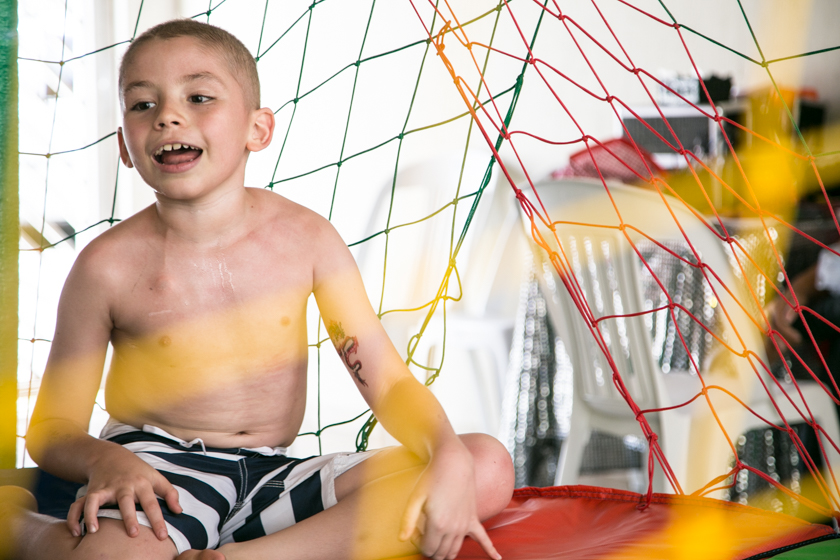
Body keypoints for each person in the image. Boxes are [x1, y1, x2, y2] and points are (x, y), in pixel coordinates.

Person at [0, 19, 514, 560]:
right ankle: (20, 525)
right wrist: (108, 461)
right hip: (158, 473)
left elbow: (385, 382)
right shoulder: (105, 266)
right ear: (126, 147)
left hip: (273, 475)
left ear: (258, 130)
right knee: (116, 556)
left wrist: (447, 454)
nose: (168, 115)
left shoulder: (308, 239)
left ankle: (250, 555)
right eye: (142, 105)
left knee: (485, 467)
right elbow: (52, 430)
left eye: (198, 97)